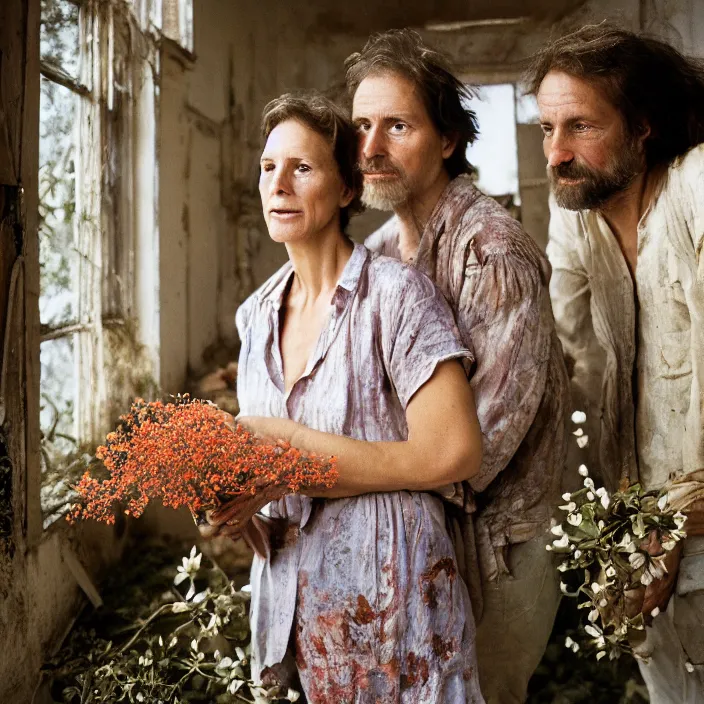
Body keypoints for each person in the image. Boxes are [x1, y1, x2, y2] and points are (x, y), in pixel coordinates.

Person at [205, 92, 486, 703]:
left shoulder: (397, 296)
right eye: (268, 167)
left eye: (302, 168)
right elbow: (270, 480)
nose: (278, 184)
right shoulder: (253, 318)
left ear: (348, 190)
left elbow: (456, 452)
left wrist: (293, 459)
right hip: (294, 621)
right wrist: (238, 506)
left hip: (394, 612)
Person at [345, 29, 570, 703]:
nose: (371, 148)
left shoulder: (492, 251)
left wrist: (339, 478)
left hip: (497, 549)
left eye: (397, 125)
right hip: (412, 531)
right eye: (361, 125)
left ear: (446, 140)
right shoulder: (380, 253)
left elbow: (480, 447)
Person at [527, 23, 704, 703]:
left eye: (580, 126)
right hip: (641, 522)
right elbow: (566, 354)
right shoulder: (577, 212)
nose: (557, 152)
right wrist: (609, 527)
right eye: (546, 128)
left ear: (643, 127)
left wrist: (672, 521)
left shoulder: (694, 188)